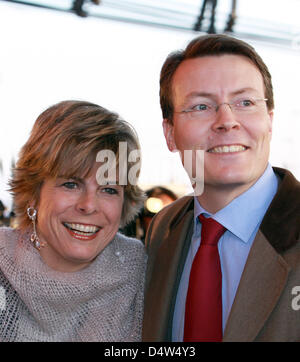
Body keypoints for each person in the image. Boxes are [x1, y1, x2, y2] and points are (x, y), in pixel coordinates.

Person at [143, 34, 300, 342]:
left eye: (245, 102)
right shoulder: (163, 229)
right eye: (201, 106)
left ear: (269, 121)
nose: (227, 121)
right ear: (170, 133)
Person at [0, 100, 146, 342]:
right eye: (71, 184)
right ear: (33, 194)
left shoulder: (146, 274)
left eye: (109, 189)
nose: (88, 205)